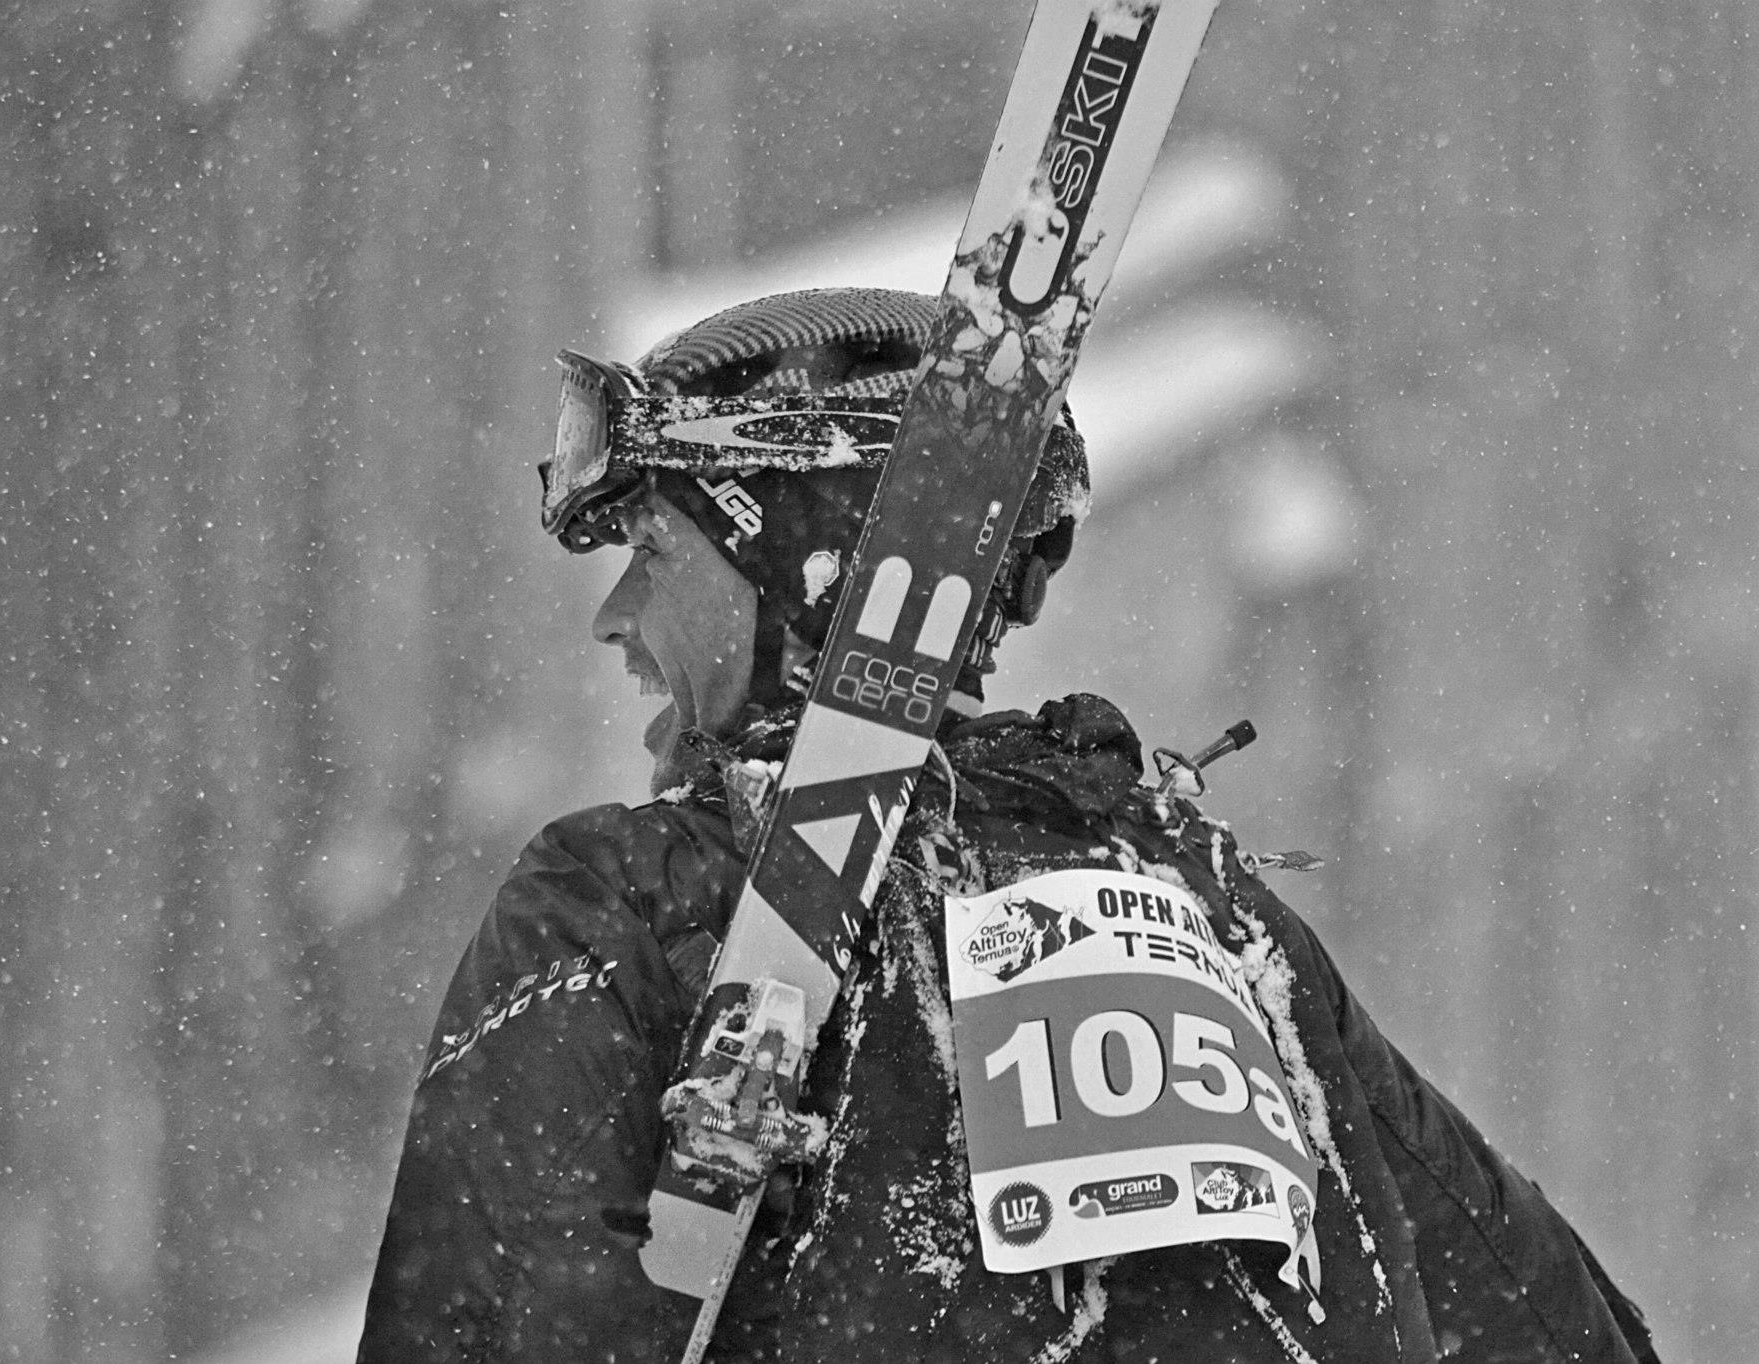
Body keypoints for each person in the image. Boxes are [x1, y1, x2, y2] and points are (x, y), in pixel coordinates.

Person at [357, 288, 1658, 1363]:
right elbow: (1549, 1324)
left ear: (799, 559)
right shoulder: (1212, 921)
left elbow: (478, 1324)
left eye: (652, 552)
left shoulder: (622, 906)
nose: (615, 618)